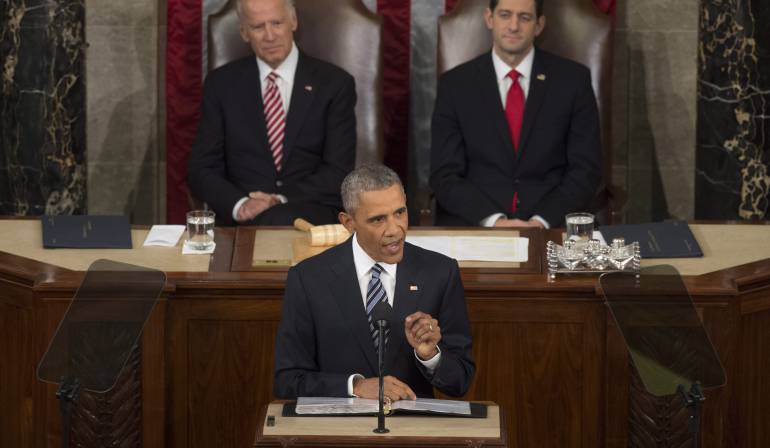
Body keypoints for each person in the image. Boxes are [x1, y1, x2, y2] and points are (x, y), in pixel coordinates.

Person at [274, 164, 475, 400]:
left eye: (400, 213)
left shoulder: (440, 272)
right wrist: (355, 387)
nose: (394, 230)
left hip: (411, 431)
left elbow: (461, 380)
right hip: (338, 431)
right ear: (349, 222)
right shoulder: (309, 278)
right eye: (378, 219)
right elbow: (287, 382)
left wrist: (431, 356)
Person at [430, 0, 602, 228]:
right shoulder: (455, 85)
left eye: (524, 17)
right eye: (505, 15)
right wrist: (495, 221)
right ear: (489, 19)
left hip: (553, 223)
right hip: (477, 224)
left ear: (539, 25)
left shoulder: (573, 81)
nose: (513, 26)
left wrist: (541, 221)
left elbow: (585, 170)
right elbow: (445, 175)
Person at [187, 0, 356, 225]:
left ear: (293, 21)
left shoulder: (334, 84)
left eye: (276, 23)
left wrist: (278, 200)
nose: (269, 36)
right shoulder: (221, 85)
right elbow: (202, 168)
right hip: (241, 219)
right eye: (258, 27)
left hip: (309, 213)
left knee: (278, 219)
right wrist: (239, 206)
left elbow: (338, 170)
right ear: (244, 32)